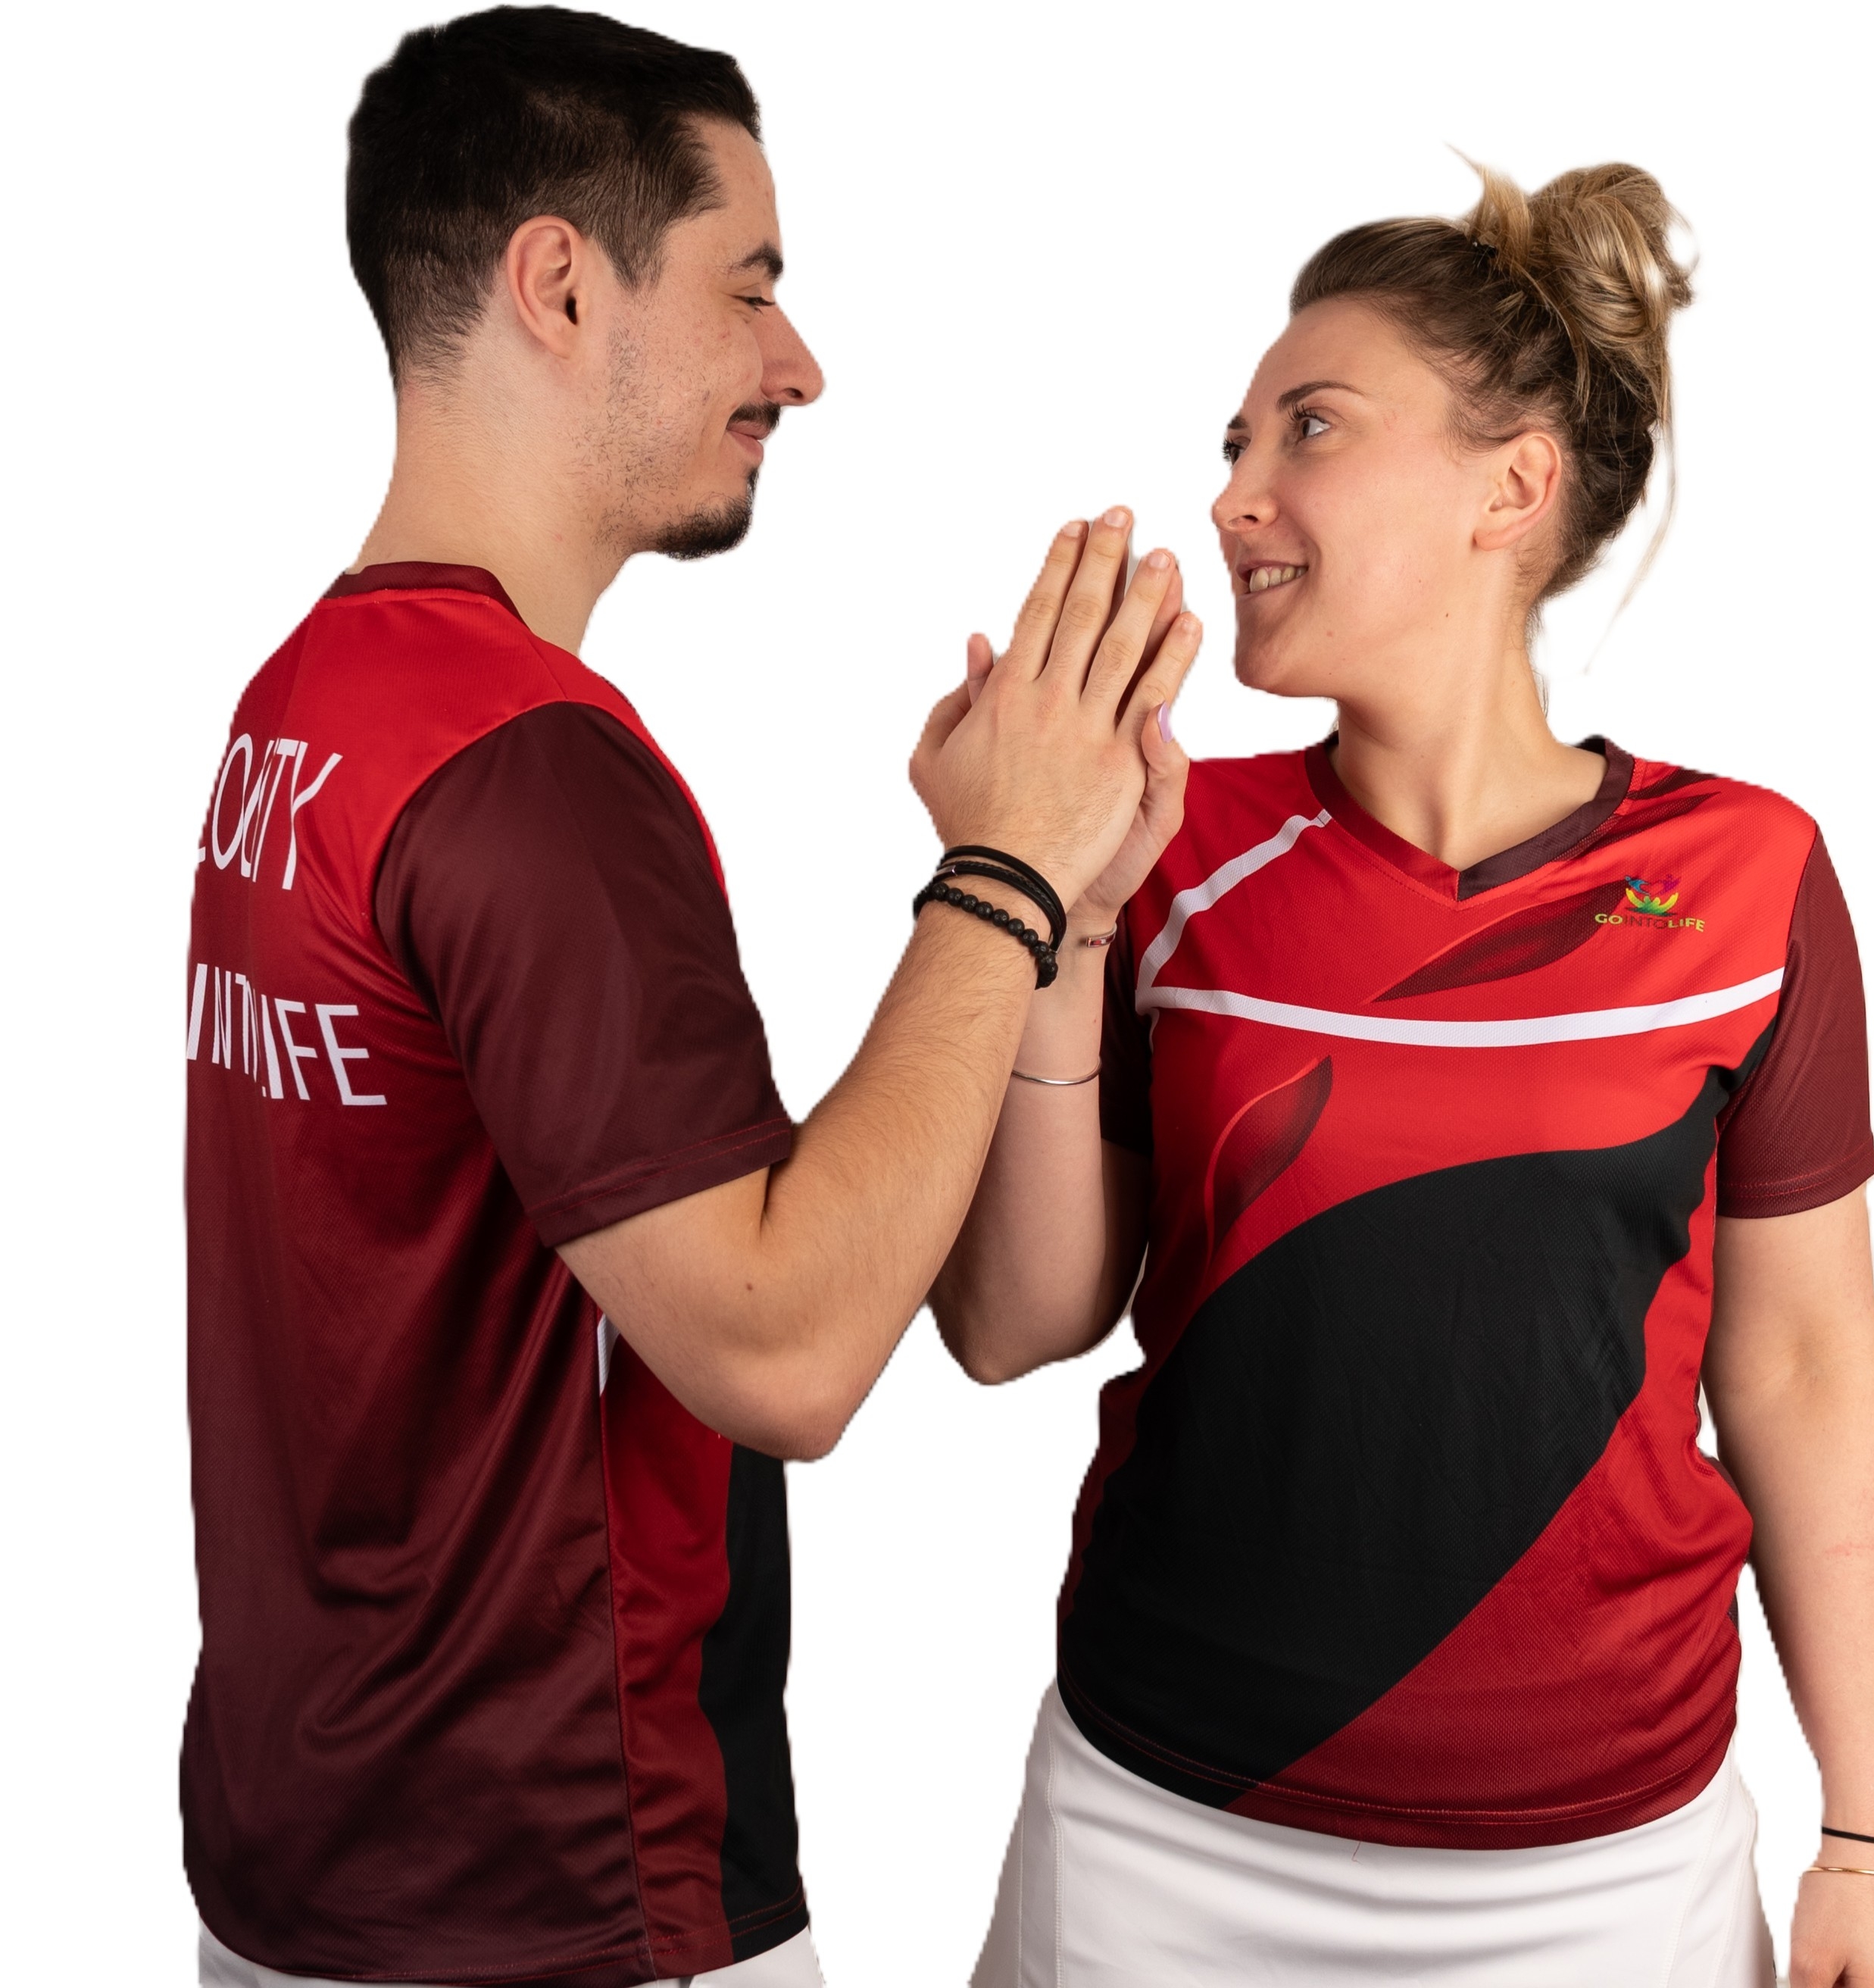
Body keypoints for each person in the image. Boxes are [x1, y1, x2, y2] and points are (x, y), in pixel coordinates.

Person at [180, 9, 1198, 1986]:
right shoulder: (525, 768)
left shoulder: (301, 704)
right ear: (562, 285)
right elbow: (784, 1347)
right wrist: (1000, 870)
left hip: (311, 1868)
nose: (796, 365)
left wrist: (1048, 912)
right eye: (748, 286)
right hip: (562, 1886)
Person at [935, 161, 1874, 1987]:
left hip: (1608, 1878)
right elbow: (1011, 1323)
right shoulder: (1160, 845)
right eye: (1234, 443)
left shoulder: (1745, 874)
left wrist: (1868, 1833)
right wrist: (1055, 922)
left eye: (1308, 428)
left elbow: (1802, 1368)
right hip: (1160, 1834)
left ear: (1511, 488)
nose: (1235, 495)